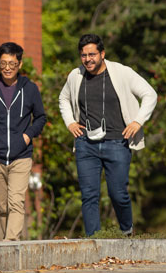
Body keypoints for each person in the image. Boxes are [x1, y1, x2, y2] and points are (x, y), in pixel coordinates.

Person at [58, 33, 157, 237]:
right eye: (83, 55)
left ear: (102, 54)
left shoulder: (121, 72)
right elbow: (63, 99)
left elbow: (150, 94)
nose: (88, 59)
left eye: (92, 54)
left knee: (117, 193)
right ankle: (94, 240)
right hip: (85, 143)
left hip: (117, 141)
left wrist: (138, 121)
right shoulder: (75, 75)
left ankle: (127, 231)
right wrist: (70, 122)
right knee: (89, 195)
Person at [0, 41, 47, 241]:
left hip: (21, 156)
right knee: (3, 206)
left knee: (16, 202)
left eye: (11, 64)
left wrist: (27, 135)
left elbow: (41, 117)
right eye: (3, 64)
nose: (7, 68)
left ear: (19, 64)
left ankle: (10, 241)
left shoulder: (30, 89)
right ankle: (10, 240)